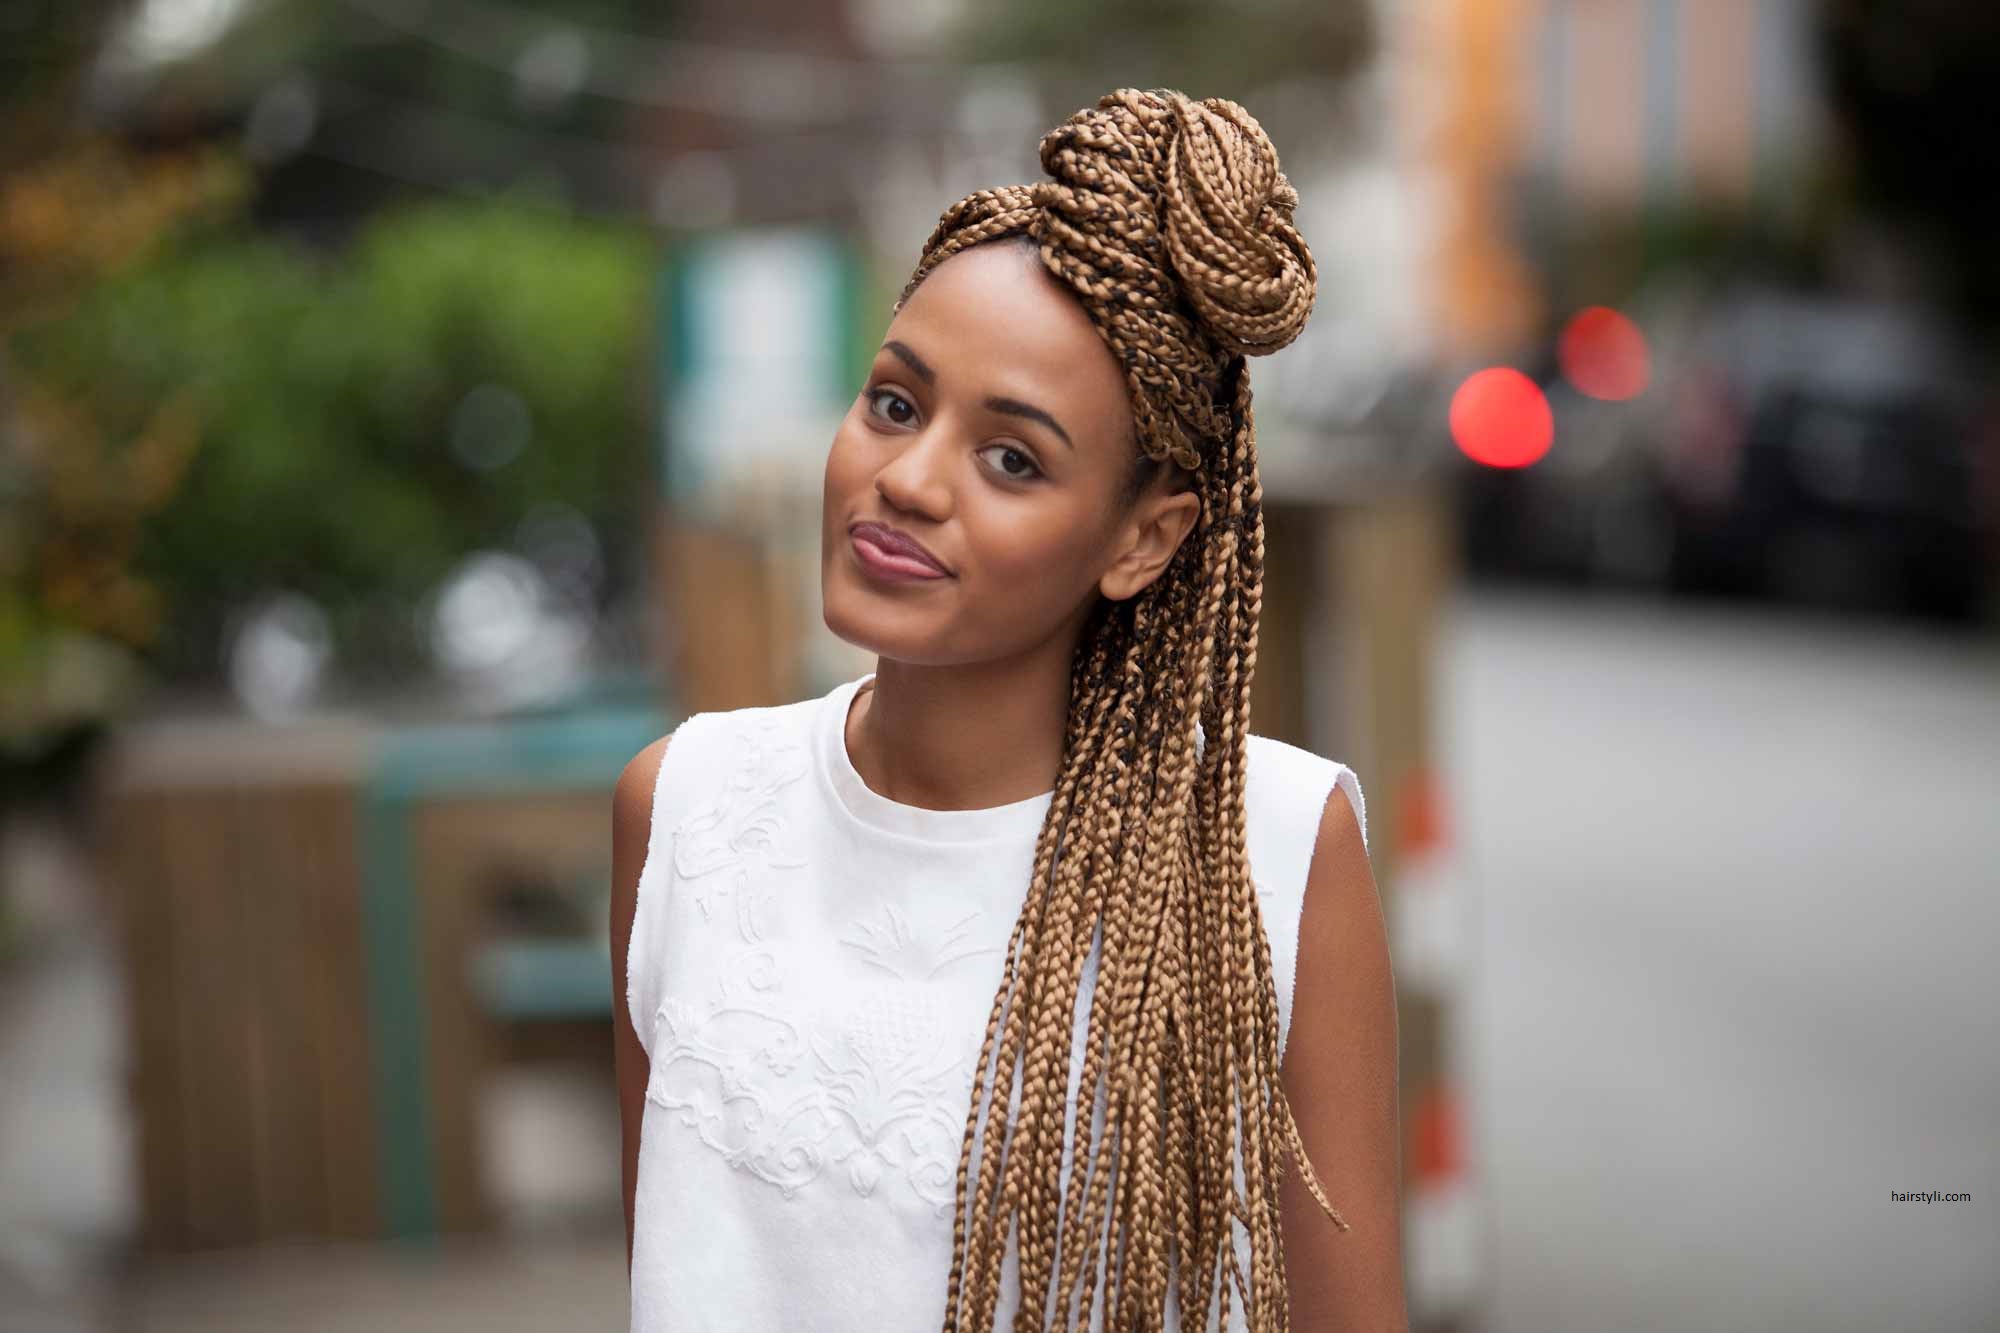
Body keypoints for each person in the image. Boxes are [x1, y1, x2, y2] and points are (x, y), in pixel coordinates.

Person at [611, 87, 1405, 1332]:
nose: (907, 479)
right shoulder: (685, 808)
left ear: (1144, 537)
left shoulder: (1270, 849)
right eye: (892, 401)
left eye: (1012, 457)